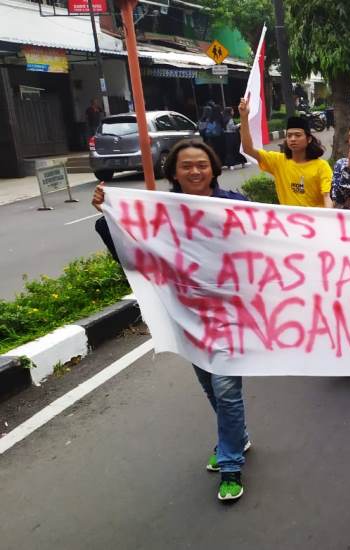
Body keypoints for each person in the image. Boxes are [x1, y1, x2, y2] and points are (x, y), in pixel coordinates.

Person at [91, 139, 253, 502]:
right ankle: (237, 436)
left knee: (226, 389)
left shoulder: (236, 206)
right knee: (210, 384)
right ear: (174, 172)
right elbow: (131, 253)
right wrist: (109, 215)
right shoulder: (158, 213)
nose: (195, 171)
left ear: (213, 168)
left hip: (229, 312)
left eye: (201, 164)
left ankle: (230, 464)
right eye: (186, 166)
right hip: (186, 313)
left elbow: (263, 247)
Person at [239, 99, 333, 207]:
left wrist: (329, 219)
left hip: (313, 222)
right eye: (289, 135)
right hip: (288, 222)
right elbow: (248, 149)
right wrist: (244, 117)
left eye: (298, 135)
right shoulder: (278, 161)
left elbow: (327, 196)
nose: (292, 139)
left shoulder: (321, 167)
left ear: (309, 139)